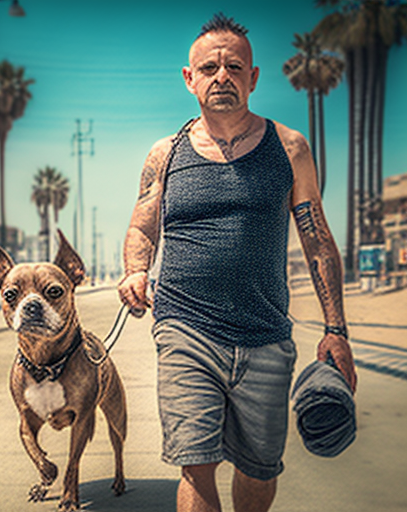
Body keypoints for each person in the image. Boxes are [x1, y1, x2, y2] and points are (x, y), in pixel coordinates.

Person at [118, 13, 357, 512]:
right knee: (195, 462)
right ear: (190, 79)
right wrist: (137, 270)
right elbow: (143, 226)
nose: (221, 77)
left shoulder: (289, 148)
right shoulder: (165, 155)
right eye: (209, 68)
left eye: (233, 67)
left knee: (258, 466)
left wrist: (337, 329)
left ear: (253, 77)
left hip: (266, 334)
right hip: (185, 329)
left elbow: (317, 240)